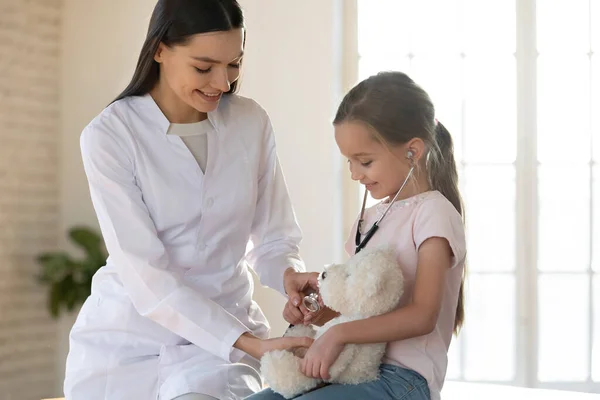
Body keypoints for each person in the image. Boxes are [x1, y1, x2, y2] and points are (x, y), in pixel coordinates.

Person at [63, 1, 317, 399]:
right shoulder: (110, 135)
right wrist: (251, 342)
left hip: (219, 353)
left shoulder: (250, 123)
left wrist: (288, 276)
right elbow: (147, 277)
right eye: (204, 67)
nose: (223, 83)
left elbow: (273, 238)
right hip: (127, 344)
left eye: (234, 64)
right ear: (160, 49)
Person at [247, 71, 467, 400]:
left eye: (364, 161)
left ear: (412, 151)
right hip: (351, 368)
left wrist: (338, 336)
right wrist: (317, 308)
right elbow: (357, 306)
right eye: (349, 162)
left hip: (402, 380)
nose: (354, 174)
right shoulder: (369, 219)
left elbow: (423, 315)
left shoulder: (433, 213)